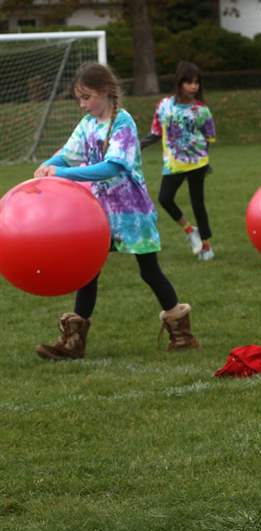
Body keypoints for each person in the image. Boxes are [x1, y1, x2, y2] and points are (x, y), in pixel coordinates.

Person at [32, 62, 199, 360]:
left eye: (86, 97)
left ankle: (181, 332)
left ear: (105, 92)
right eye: (79, 99)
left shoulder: (123, 123)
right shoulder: (87, 124)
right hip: (98, 212)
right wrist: (49, 165)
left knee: (149, 271)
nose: (83, 105)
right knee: (89, 270)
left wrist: (64, 174)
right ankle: (73, 343)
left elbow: (113, 166)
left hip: (131, 211)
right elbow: (68, 154)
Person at [140, 61, 216, 261]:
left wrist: (205, 161)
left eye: (196, 83)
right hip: (174, 164)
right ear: (179, 83)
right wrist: (137, 145)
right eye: (189, 82)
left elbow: (209, 136)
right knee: (165, 198)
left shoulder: (202, 110)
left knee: (197, 203)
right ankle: (191, 231)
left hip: (198, 163)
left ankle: (206, 246)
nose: (193, 87)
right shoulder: (165, 106)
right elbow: (156, 133)